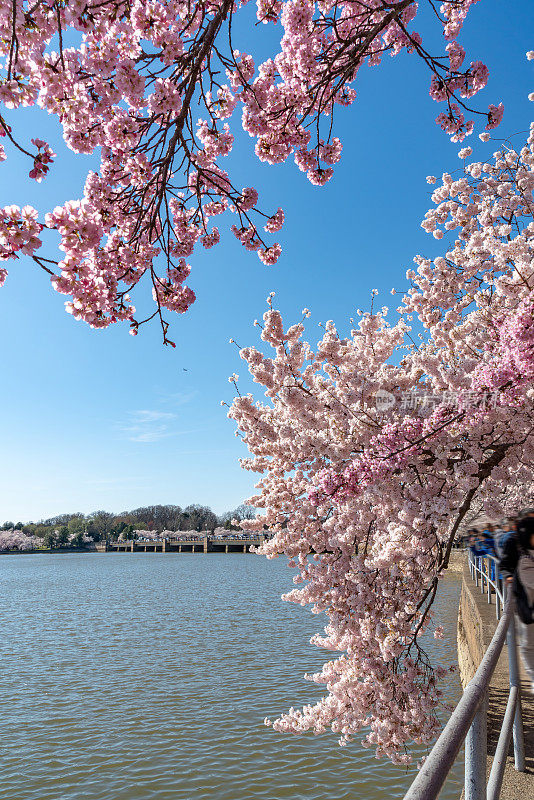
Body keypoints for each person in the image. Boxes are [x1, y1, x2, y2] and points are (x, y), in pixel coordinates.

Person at [499, 513, 534, 692]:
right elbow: (504, 565)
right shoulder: (514, 543)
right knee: (528, 642)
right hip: (524, 597)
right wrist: (510, 577)